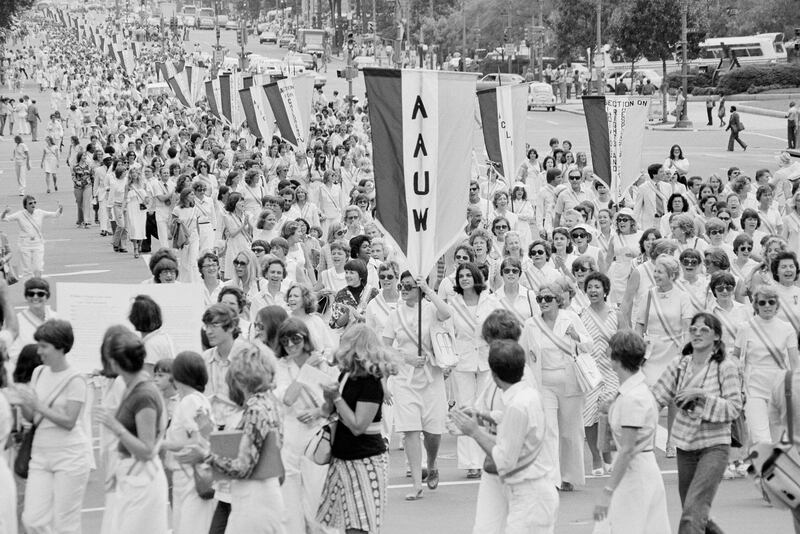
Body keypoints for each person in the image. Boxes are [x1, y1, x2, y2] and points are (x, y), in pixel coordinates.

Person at [177, 343, 287, 534]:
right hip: (269, 492)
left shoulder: (255, 410)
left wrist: (205, 455)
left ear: (240, 379)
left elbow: (242, 467)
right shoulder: (271, 404)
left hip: (252, 499)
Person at [450, 340, 558, 534]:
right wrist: (484, 416)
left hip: (529, 495)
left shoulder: (517, 405)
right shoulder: (527, 395)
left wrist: (474, 431)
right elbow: (510, 421)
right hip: (534, 492)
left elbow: (504, 460)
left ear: (493, 375)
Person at [651, 313, 743, 534]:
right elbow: (656, 397)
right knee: (694, 513)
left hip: (715, 446)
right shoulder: (679, 365)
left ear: (717, 337)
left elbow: (734, 408)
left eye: (704, 330)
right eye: (693, 329)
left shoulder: (725, 366)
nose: (697, 334)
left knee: (692, 515)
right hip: (686, 447)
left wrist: (701, 395)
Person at [316, 324, 397, 533]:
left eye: (345, 342)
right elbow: (332, 411)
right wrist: (327, 402)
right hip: (341, 459)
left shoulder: (371, 381)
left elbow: (358, 425)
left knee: (360, 528)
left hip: (365, 461)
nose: (340, 346)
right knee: (328, 526)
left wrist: (335, 397)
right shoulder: (345, 374)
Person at [14, 319, 92, 534]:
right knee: (32, 519)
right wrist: (24, 402)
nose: (39, 351)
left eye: (44, 346)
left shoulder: (76, 379)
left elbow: (69, 421)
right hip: (40, 453)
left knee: (65, 523)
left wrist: (37, 405)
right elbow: (34, 417)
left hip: (70, 455)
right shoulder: (39, 372)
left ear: (60, 347)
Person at [382, 271, 452, 500]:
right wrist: (405, 358)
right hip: (405, 378)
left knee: (433, 431)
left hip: (431, 376)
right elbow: (385, 348)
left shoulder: (430, 309)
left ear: (419, 289)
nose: (403, 289)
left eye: (410, 286)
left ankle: (431, 463)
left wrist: (429, 290)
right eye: (402, 285)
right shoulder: (395, 315)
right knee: (410, 429)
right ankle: (415, 484)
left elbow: (447, 312)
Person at [593, 329, 670, 534]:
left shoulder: (633, 397)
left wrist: (608, 491)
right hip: (639, 471)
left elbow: (627, 449)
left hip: (635, 475)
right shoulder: (633, 392)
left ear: (616, 359)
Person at [95, 327, 169, 534]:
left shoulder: (143, 394)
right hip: (132, 477)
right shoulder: (134, 387)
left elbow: (146, 449)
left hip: (143, 479)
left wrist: (115, 427)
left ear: (115, 363)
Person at [273, 317, 338, 534]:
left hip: (316, 439)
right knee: (290, 511)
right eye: (285, 341)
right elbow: (288, 398)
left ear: (305, 338)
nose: (290, 345)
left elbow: (334, 400)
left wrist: (318, 411)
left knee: (317, 505)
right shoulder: (281, 366)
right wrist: (305, 371)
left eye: (296, 339)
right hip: (289, 442)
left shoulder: (322, 362)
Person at [733, 285, 800, 445]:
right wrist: (736, 367)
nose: (767, 306)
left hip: (779, 391)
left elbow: (794, 362)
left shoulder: (787, 329)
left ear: (777, 304)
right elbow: (735, 356)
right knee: (761, 438)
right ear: (756, 305)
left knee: (778, 441)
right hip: (753, 388)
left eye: (771, 302)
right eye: (762, 303)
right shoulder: (746, 328)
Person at [450, 262, 499, 478]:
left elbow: (499, 327)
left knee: (485, 409)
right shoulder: (453, 303)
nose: (465, 279)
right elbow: (447, 332)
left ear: (476, 277)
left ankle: (487, 455)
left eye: (469, 275)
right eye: (461, 276)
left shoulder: (490, 300)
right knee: (464, 408)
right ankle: (470, 462)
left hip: (486, 358)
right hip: (462, 359)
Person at [160, 351, 216, 534]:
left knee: (188, 527)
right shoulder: (200, 399)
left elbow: (196, 442)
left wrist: (162, 444)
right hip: (196, 473)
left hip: (188, 474)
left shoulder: (188, 402)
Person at [580, 272, 618, 475]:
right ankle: (595, 458)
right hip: (589, 371)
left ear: (605, 290)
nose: (593, 291)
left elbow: (624, 336)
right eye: (590, 287)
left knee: (607, 412)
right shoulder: (581, 315)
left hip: (611, 370)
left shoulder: (615, 313)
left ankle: (607, 455)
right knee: (589, 416)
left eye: (597, 287)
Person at [1, 195, 62, 279]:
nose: (33, 204)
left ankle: (38, 284)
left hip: (38, 244)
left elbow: (55, 215)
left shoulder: (40, 212)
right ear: (25, 206)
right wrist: (5, 212)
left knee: (38, 267)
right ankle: (28, 288)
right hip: (25, 245)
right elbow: (4, 219)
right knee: (27, 270)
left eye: (34, 202)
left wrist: (60, 208)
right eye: (30, 203)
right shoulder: (20, 214)